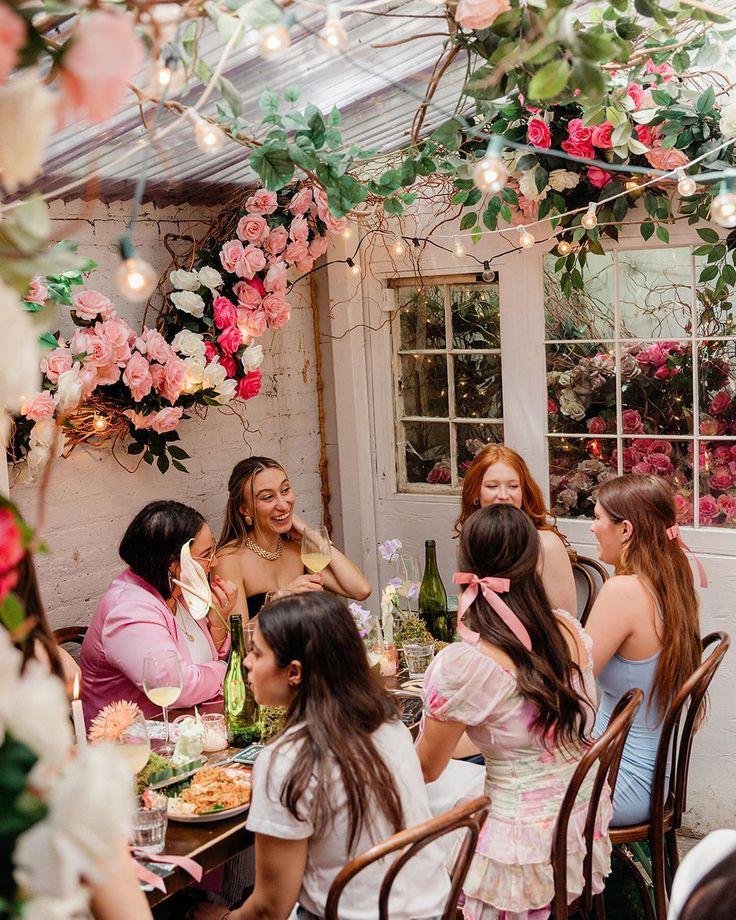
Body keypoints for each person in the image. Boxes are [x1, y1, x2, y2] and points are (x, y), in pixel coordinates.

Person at [202, 592, 451, 920]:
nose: (246, 662)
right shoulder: (387, 723)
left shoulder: (287, 760)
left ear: (294, 672)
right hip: (430, 908)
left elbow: (269, 909)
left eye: (257, 653)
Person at [416, 505, 611, 920]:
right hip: (575, 819)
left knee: (407, 834)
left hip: (519, 845)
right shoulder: (567, 631)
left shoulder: (465, 664)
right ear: (536, 561)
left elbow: (425, 770)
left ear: (465, 566)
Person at [586, 474, 703, 826]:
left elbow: (570, 677)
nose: (592, 528)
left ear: (625, 530)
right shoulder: (668, 580)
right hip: (645, 776)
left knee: (500, 785)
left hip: (619, 782)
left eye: (597, 518)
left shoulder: (623, 591)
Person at [81, 500, 237, 723]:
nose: (215, 561)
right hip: (138, 743)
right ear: (172, 563)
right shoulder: (129, 611)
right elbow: (174, 687)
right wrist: (226, 670)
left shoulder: (179, 589)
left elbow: (203, 659)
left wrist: (218, 622)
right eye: (206, 554)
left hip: (192, 727)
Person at [215, 456, 370, 619]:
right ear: (245, 509)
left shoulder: (297, 550)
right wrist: (280, 598)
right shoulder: (229, 560)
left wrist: (309, 534)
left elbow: (361, 589)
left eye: (285, 490)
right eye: (268, 497)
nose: (283, 505)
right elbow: (240, 640)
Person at [455, 445, 577, 615]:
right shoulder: (470, 541)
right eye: (492, 486)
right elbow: (470, 613)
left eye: (513, 486)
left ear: (524, 492)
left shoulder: (546, 544)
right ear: (475, 493)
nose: (504, 495)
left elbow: (567, 621)